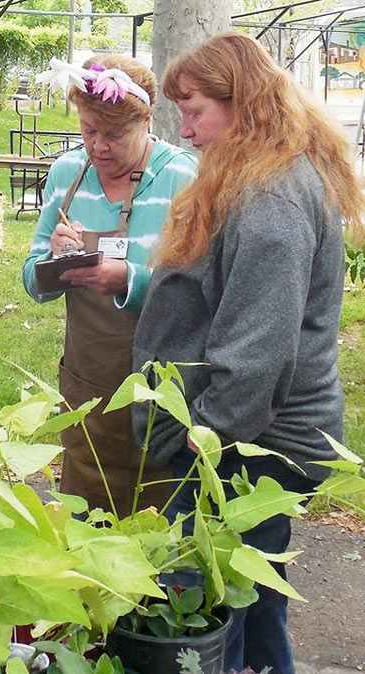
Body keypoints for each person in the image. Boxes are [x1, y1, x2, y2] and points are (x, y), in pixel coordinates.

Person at [132, 33, 365, 674]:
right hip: (250, 436)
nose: (186, 129)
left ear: (245, 105)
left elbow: (258, 354)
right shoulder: (264, 176)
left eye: (195, 109)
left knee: (203, 608)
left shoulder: (270, 199)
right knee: (253, 598)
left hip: (248, 447)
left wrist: (199, 443)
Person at [22, 54, 198, 516]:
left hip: (160, 379)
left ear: (146, 120)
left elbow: (198, 288)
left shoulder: (180, 176)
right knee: (86, 509)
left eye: (114, 134)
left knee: (156, 511)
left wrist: (130, 280)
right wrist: (54, 262)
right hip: (89, 379)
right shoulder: (67, 173)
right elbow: (32, 278)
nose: (98, 146)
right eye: (87, 130)